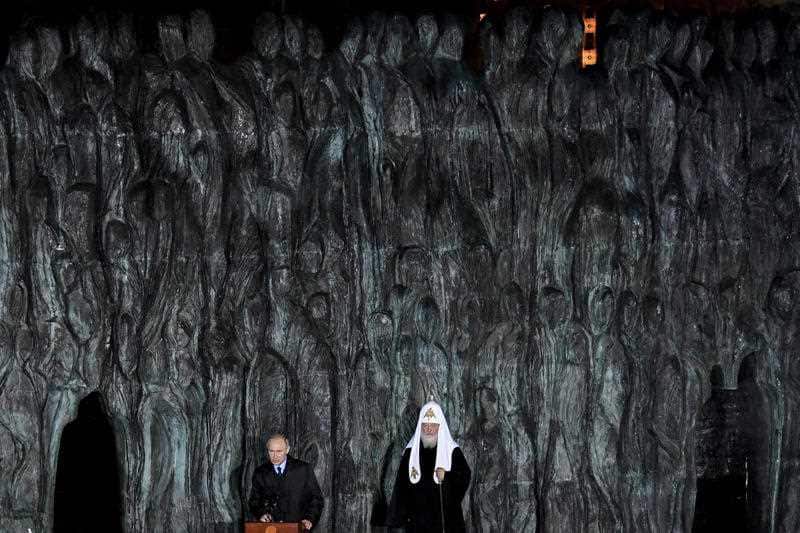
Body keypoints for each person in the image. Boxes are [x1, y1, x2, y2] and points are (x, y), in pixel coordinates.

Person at [387, 400, 471, 532]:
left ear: (440, 426)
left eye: (433, 425)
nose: (429, 429)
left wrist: (447, 476)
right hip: (417, 520)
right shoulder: (410, 452)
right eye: (425, 425)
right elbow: (401, 486)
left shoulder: (452, 451)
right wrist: (397, 520)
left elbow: (465, 476)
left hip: (445, 520)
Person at [248, 433, 324, 530]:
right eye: (271, 451)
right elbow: (254, 501)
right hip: (271, 529)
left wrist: (309, 519)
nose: (275, 456)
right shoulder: (260, 472)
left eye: (279, 451)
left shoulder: (303, 469)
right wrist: (261, 514)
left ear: (287, 450)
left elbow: (316, 499)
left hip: (298, 528)